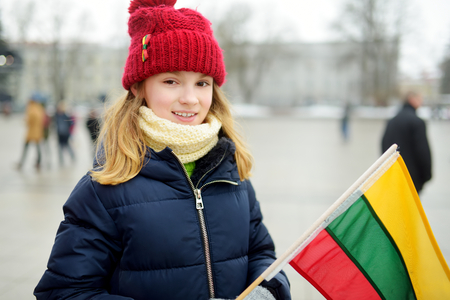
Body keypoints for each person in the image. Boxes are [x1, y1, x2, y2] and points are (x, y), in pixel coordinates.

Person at [34, 1, 291, 300]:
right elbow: (65, 292)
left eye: (202, 83)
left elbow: (260, 252)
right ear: (139, 87)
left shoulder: (233, 174)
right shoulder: (103, 190)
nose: (190, 98)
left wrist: (268, 290)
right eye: (171, 81)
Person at [381, 91, 432, 194]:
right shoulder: (417, 122)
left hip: (394, 175)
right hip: (412, 177)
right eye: (419, 99)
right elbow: (422, 150)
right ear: (412, 99)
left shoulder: (392, 121)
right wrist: (427, 175)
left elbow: (384, 145)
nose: (421, 102)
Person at [17, 92, 45, 170]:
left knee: (26, 147)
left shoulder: (31, 107)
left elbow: (30, 119)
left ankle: (21, 163)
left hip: (31, 131)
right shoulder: (40, 108)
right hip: (38, 131)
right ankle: (38, 163)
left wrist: (26, 121)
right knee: (38, 148)